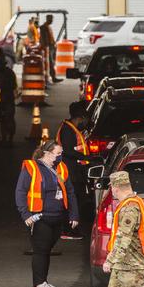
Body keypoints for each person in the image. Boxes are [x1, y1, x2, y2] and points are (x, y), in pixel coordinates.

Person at [14, 141, 80, 287]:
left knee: (46, 251)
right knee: (41, 250)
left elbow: (70, 192)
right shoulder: (31, 168)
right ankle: (40, 285)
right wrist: (26, 215)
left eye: (61, 153)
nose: (60, 156)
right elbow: (20, 192)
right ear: (46, 153)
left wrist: (74, 214)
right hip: (39, 218)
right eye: (58, 153)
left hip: (57, 217)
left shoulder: (61, 168)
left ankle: (43, 283)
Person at [56, 101, 89, 237]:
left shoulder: (71, 128)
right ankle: (69, 230)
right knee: (72, 201)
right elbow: (69, 151)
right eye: (85, 119)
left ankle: (70, 229)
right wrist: (89, 159)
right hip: (70, 172)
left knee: (74, 201)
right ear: (80, 117)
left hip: (74, 171)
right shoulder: (68, 130)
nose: (86, 122)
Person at [0, 55, 18, 147]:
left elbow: (13, 86)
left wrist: (2, 85)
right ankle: (5, 139)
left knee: (9, 120)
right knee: (3, 121)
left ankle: (10, 139)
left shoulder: (8, 73)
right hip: (0, 102)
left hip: (7, 100)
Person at [41, 14, 61, 83]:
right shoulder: (44, 27)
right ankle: (53, 77)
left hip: (51, 46)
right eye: (51, 19)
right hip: (48, 47)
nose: (52, 21)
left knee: (51, 62)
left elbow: (51, 37)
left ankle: (52, 77)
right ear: (48, 19)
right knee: (50, 63)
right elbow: (44, 39)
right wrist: (47, 46)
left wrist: (54, 43)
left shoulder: (48, 27)